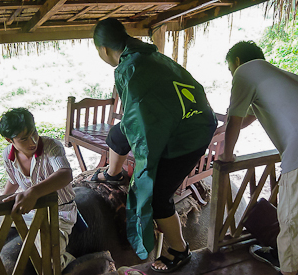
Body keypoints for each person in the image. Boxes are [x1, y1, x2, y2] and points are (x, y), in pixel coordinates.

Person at [91, 18, 218, 273]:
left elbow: (138, 126)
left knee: (158, 197)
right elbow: (133, 119)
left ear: (103, 50)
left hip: (186, 135)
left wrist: (143, 168)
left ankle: (180, 251)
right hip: (192, 121)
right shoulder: (151, 56)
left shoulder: (128, 67)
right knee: (118, 133)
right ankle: (113, 174)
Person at [219, 40, 298, 275]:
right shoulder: (281, 76)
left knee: (290, 215)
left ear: (237, 62)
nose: (232, 75)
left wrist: (227, 155)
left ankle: (288, 268)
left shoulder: (245, 72)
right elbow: (248, 117)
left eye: (230, 69)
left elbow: (235, 120)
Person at [0, 107, 77, 271]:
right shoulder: (8, 155)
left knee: (48, 257)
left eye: (34, 132)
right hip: (30, 211)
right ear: (9, 140)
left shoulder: (51, 146)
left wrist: (33, 192)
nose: (33, 141)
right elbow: (13, 180)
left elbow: (65, 174)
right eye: (24, 139)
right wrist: (0, 203)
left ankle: (67, 262)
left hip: (59, 212)